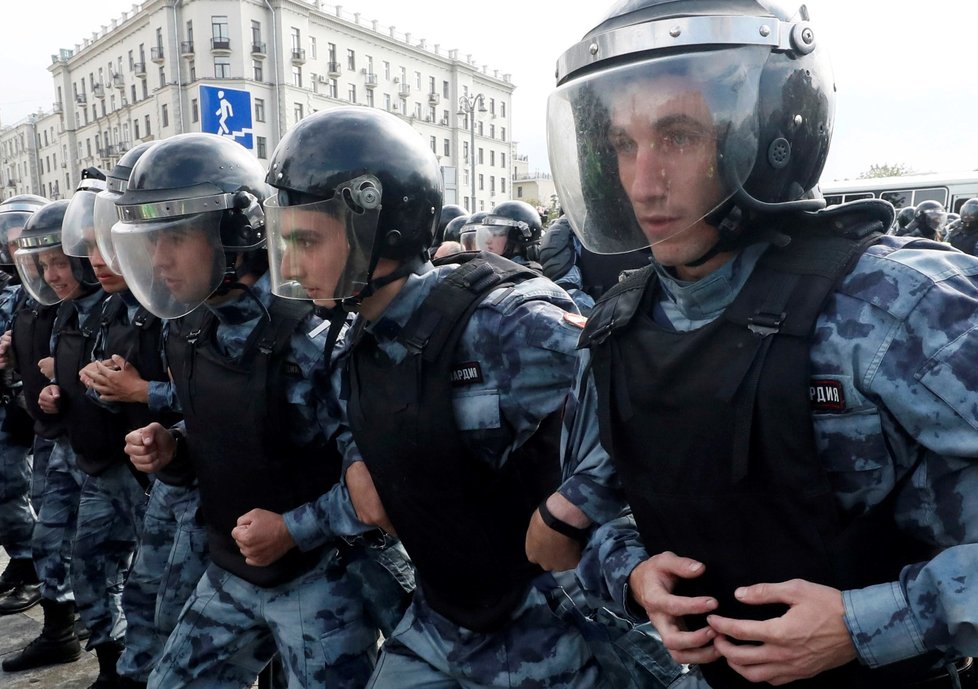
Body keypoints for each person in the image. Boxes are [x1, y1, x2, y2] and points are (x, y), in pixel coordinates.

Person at [529, 1, 978, 687]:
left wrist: (872, 622)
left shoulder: (899, 305)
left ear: (773, 135)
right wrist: (635, 575)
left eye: (677, 136)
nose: (643, 181)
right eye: (624, 143)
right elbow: (582, 521)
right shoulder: (620, 328)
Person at [263, 105, 604, 689]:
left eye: (309, 240)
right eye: (285, 240)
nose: (290, 264)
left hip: (545, 627)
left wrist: (571, 507)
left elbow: (641, 395)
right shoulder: (349, 340)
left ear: (383, 230)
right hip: (441, 615)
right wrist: (355, 470)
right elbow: (363, 435)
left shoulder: (498, 325)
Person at [115, 132, 409, 689]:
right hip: (231, 565)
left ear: (235, 233)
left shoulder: (316, 336)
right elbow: (235, 427)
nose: (160, 259)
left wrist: (294, 529)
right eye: (151, 240)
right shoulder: (192, 326)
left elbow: (380, 477)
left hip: (322, 576)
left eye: (176, 236)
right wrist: (173, 444)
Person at [2, 197, 102, 673]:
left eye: (59, 263)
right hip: (60, 439)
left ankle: (112, 655)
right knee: (54, 542)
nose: (52, 275)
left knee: (102, 560)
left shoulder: (117, 308)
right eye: (42, 265)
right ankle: (61, 629)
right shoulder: (62, 308)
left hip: (107, 455)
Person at [0, 194, 48, 615]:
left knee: (17, 490)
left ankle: (32, 567)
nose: (17, 250)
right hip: (23, 404)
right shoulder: (17, 294)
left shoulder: (49, 293)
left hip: (34, 409)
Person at [457, 200, 545, 270]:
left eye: (497, 234)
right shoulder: (495, 268)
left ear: (517, 237)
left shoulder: (525, 276)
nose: (488, 241)